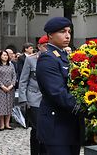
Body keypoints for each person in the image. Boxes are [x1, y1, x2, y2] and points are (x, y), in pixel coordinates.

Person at [36, 17, 84, 155]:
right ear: (50, 35)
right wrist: (82, 106)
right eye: (62, 32)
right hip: (56, 126)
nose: (67, 35)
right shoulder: (48, 58)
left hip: (70, 124)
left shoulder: (64, 56)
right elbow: (57, 92)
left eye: (69, 31)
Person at [19, 35, 48, 155]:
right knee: (37, 128)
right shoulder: (31, 59)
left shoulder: (52, 58)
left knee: (47, 129)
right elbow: (23, 80)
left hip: (48, 99)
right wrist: (23, 99)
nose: (47, 48)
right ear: (39, 46)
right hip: (34, 98)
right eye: (45, 46)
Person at [0, 50, 16, 131]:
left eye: (6, 55)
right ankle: (2, 124)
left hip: (10, 88)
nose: (5, 57)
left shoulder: (11, 65)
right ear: (0, 56)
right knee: (2, 106)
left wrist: (11, 85)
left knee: (9, 105)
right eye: (3, 55)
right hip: (0, 89)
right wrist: (2, 86)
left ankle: (7, 124)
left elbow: (14, 76)